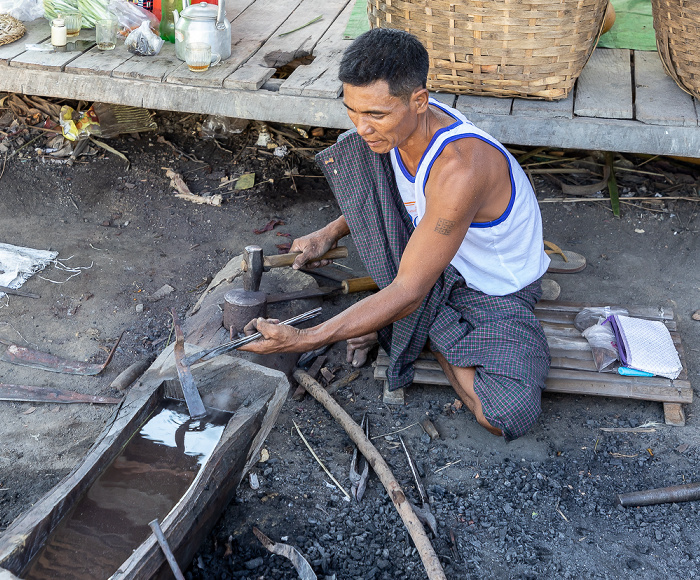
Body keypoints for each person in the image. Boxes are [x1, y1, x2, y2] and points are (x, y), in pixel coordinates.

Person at [240, 28, 551, 441]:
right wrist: (331, 231)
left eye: (376, 115)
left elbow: (407, 288)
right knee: (354, 151)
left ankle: (426, 330)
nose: (363, 125)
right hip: (436, 257)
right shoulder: (399, 127)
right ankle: (409, 318)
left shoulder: (459, 169)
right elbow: (400, 196)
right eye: (353, 110)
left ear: (419, 101)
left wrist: (306, 337)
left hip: (492, 287)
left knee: (504, 414)